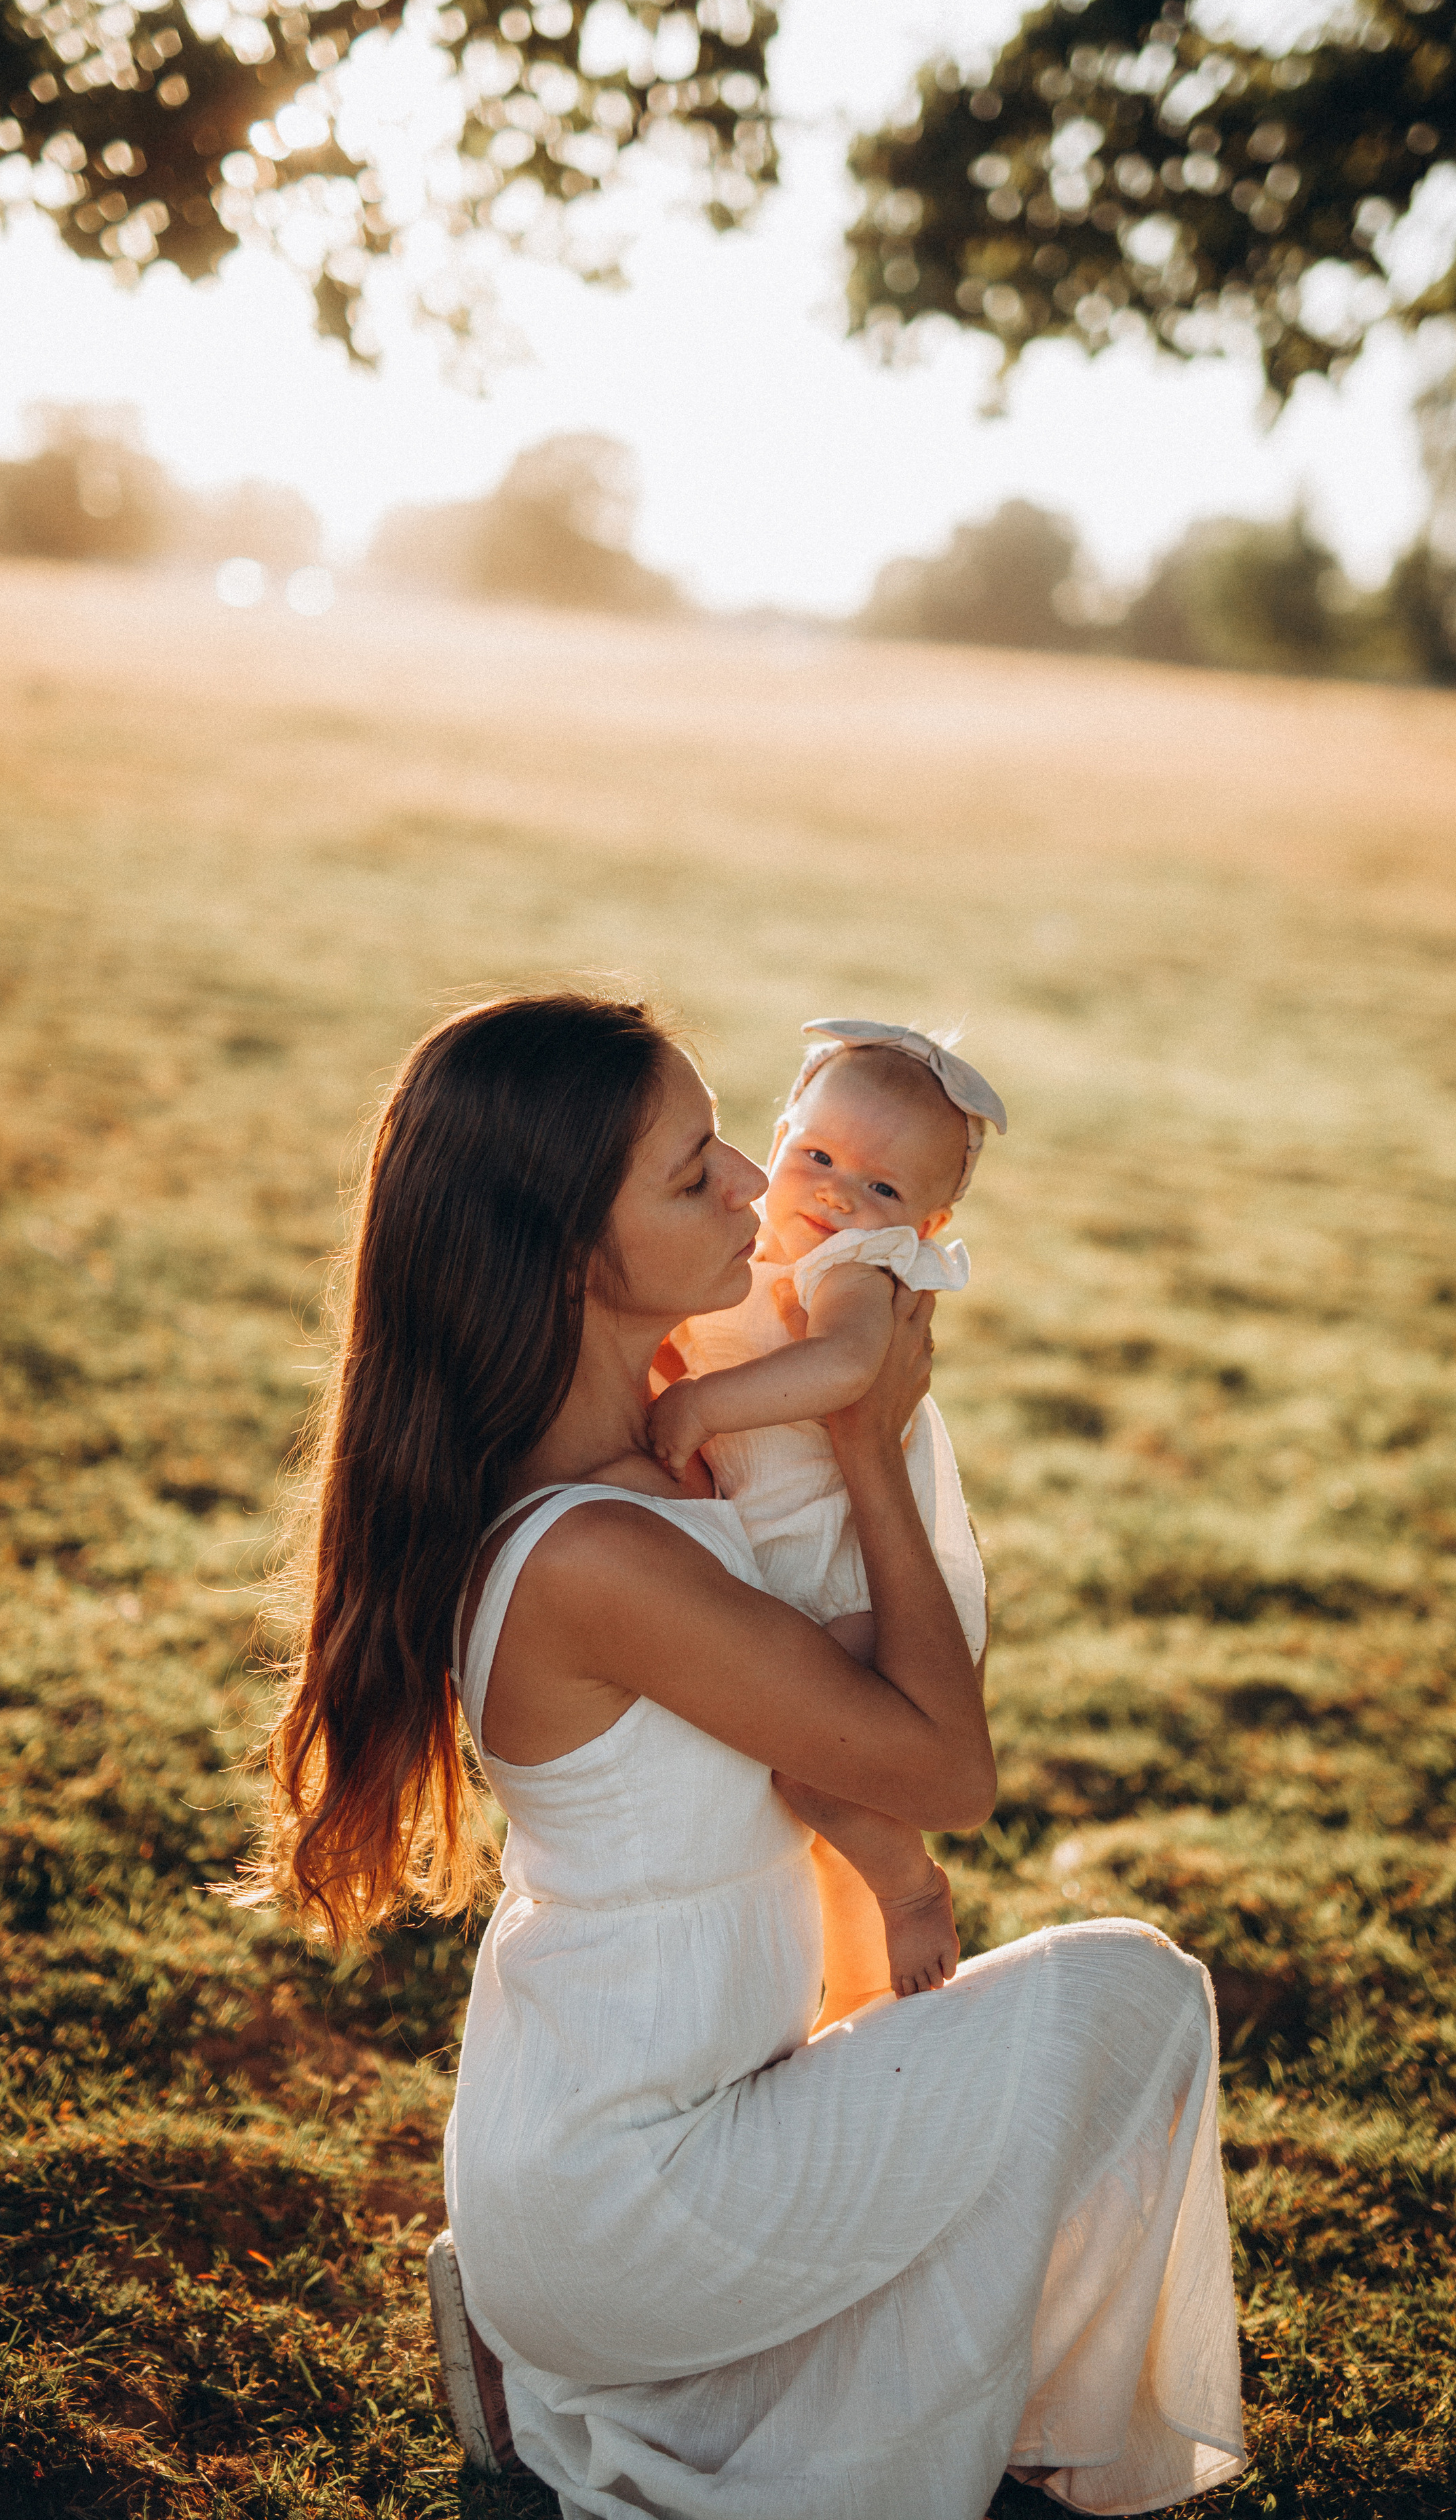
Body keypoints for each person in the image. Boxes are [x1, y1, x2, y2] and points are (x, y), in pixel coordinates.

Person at [242, 992, 1246, 2520]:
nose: (746, 1181)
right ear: (572, 1249)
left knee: (939, 2066)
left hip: (635, 2145)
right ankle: (937, 2441)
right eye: (685, 1168)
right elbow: (945, 1771)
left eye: (724, 1134)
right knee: (1125, 1999)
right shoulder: (594, 1551)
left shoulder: (633, 1462)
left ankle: (600, 2387)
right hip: (626, 2193)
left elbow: (861, 1721)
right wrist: (869, 1445)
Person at [649, 1017, 1006, 2020]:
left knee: (816, 1777)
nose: (841, 1194)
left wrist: (704, 1406)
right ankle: (853, 1999)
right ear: (778, 1136)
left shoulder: (855, 1266)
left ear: (925, 1226)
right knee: (803, 1820)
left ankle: (911, 1886)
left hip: (854, 1578)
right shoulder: (754, 1251)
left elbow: (851, 1368)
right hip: (792, 1570)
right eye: (817, 1156)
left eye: (885, 1189)